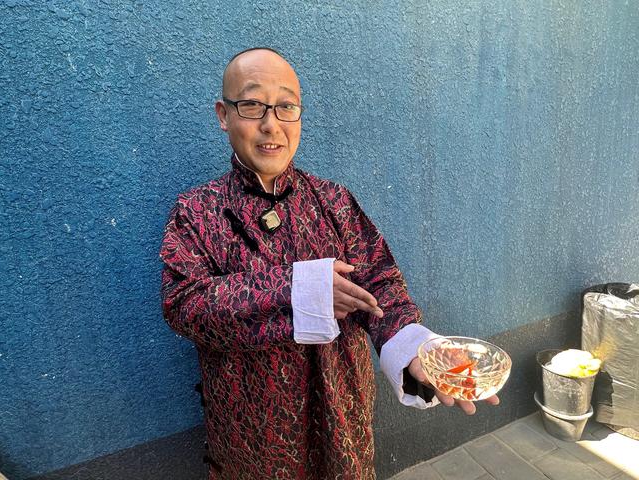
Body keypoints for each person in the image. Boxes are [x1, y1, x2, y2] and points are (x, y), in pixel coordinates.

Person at [160, 47, 499, 480]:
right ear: (223, 115)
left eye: (286, 106)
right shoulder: (197, 212)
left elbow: (381, 283)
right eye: (252, 105)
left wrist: (416, 350)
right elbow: (185, 306)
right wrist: (297, 290)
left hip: (343, 418)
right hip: (253, 437)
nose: (271, 124)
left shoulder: (334, 201)